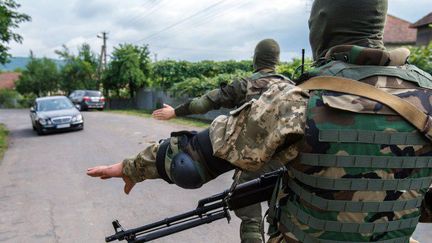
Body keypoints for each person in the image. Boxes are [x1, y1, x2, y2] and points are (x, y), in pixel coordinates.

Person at [88, 0, 432, 242]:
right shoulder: (428, 96)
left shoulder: (296, 100)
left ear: (322, 26)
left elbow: (188, 163)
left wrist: (130, 167)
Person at [151, 38, 290, 243]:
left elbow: (201, 105)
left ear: (255, 59)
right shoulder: (294, 87)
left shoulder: (244, 85)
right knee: (284, 217)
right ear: (276, 60)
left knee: (250, 216)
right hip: (287, 163)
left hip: (252, 162)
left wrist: (175, 112)